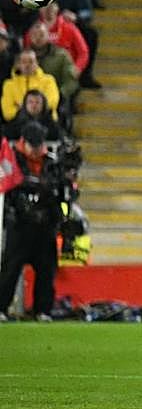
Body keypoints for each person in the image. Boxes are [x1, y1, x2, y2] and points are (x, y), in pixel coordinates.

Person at [0, 123, 72, 322]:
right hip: (20, 225)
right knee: (10, 269)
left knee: (46, 271)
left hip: (45, 225)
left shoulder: (52, 164)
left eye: (38, 144)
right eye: (32, 144)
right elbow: (9, 189)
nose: (35, 149)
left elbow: (61, 193)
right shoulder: (11, 161)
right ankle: (2, 307)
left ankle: (43, 310)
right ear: (23, 141)